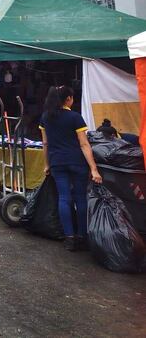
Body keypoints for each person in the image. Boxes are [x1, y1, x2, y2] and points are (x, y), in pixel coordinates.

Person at [40, 85, 102, 251]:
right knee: (80, 198)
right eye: (72, 98)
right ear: (68, 99)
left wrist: (47, 164)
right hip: (77, 162)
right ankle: (82, 236)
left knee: (64, 198)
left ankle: (69, 238)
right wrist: (94, 168)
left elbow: (45, 143)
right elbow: (84, 144)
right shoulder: (75, 117)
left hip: (57, 163)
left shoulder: (46, 117)